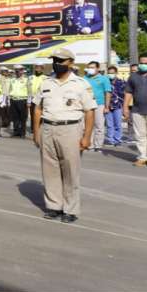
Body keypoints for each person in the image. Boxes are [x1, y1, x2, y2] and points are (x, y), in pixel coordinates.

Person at [33, 48, 96, 223]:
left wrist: (86, 137)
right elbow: (37, 108)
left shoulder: (81, 84)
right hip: (47, 128)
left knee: (70, 171)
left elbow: (90, 112)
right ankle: (54, 206)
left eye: (60, 61)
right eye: (55, 60)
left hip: (70, 130)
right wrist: (36, 132)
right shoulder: (46, 82)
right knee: (49, 169)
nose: (56, 64)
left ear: (71, 63)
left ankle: (70, 209)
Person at [123, 54, 147, 167]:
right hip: (137, 110)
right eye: (142, 63)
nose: (144, 65)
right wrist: (125, 107)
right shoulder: (133, 77)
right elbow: (128, 92)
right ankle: (142, 157)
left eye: (146, 63)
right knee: (140, 135)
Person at [83, 61, 111, 152]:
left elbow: (107, 92)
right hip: (87, 105)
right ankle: (89, 144)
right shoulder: (84, 78)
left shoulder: (104, 78)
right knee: (88, 125)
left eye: (93, 67)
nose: (91, 69)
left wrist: (107, 106)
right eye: (89, 67)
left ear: (98, 68)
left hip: (99, 104)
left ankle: (98, 145)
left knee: (99, 125)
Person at [8, 65, 30, 138]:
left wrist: (29, 102)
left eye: (19, 70)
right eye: (16, 70)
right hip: (13, 100)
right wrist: (8, 100)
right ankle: (16, 132)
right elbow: (10, 90)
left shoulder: (26, 80)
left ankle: (22, 133)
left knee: (22, 118)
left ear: (22, 71)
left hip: (22, 100)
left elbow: (30, 91)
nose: (18, 72)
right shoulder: (12, 80)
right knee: (15, 117)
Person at [28, 63, 46, 134]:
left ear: (42, 69)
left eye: (39, 67)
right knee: (32, 114)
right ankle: (33, 128)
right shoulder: (31, 77)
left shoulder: (45, 78)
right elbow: (29, 89)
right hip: (32, 98)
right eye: (36, 67)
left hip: (41, 98)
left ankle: (40, 127)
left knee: (41, 114)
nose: (37, 69)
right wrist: (29, 101)